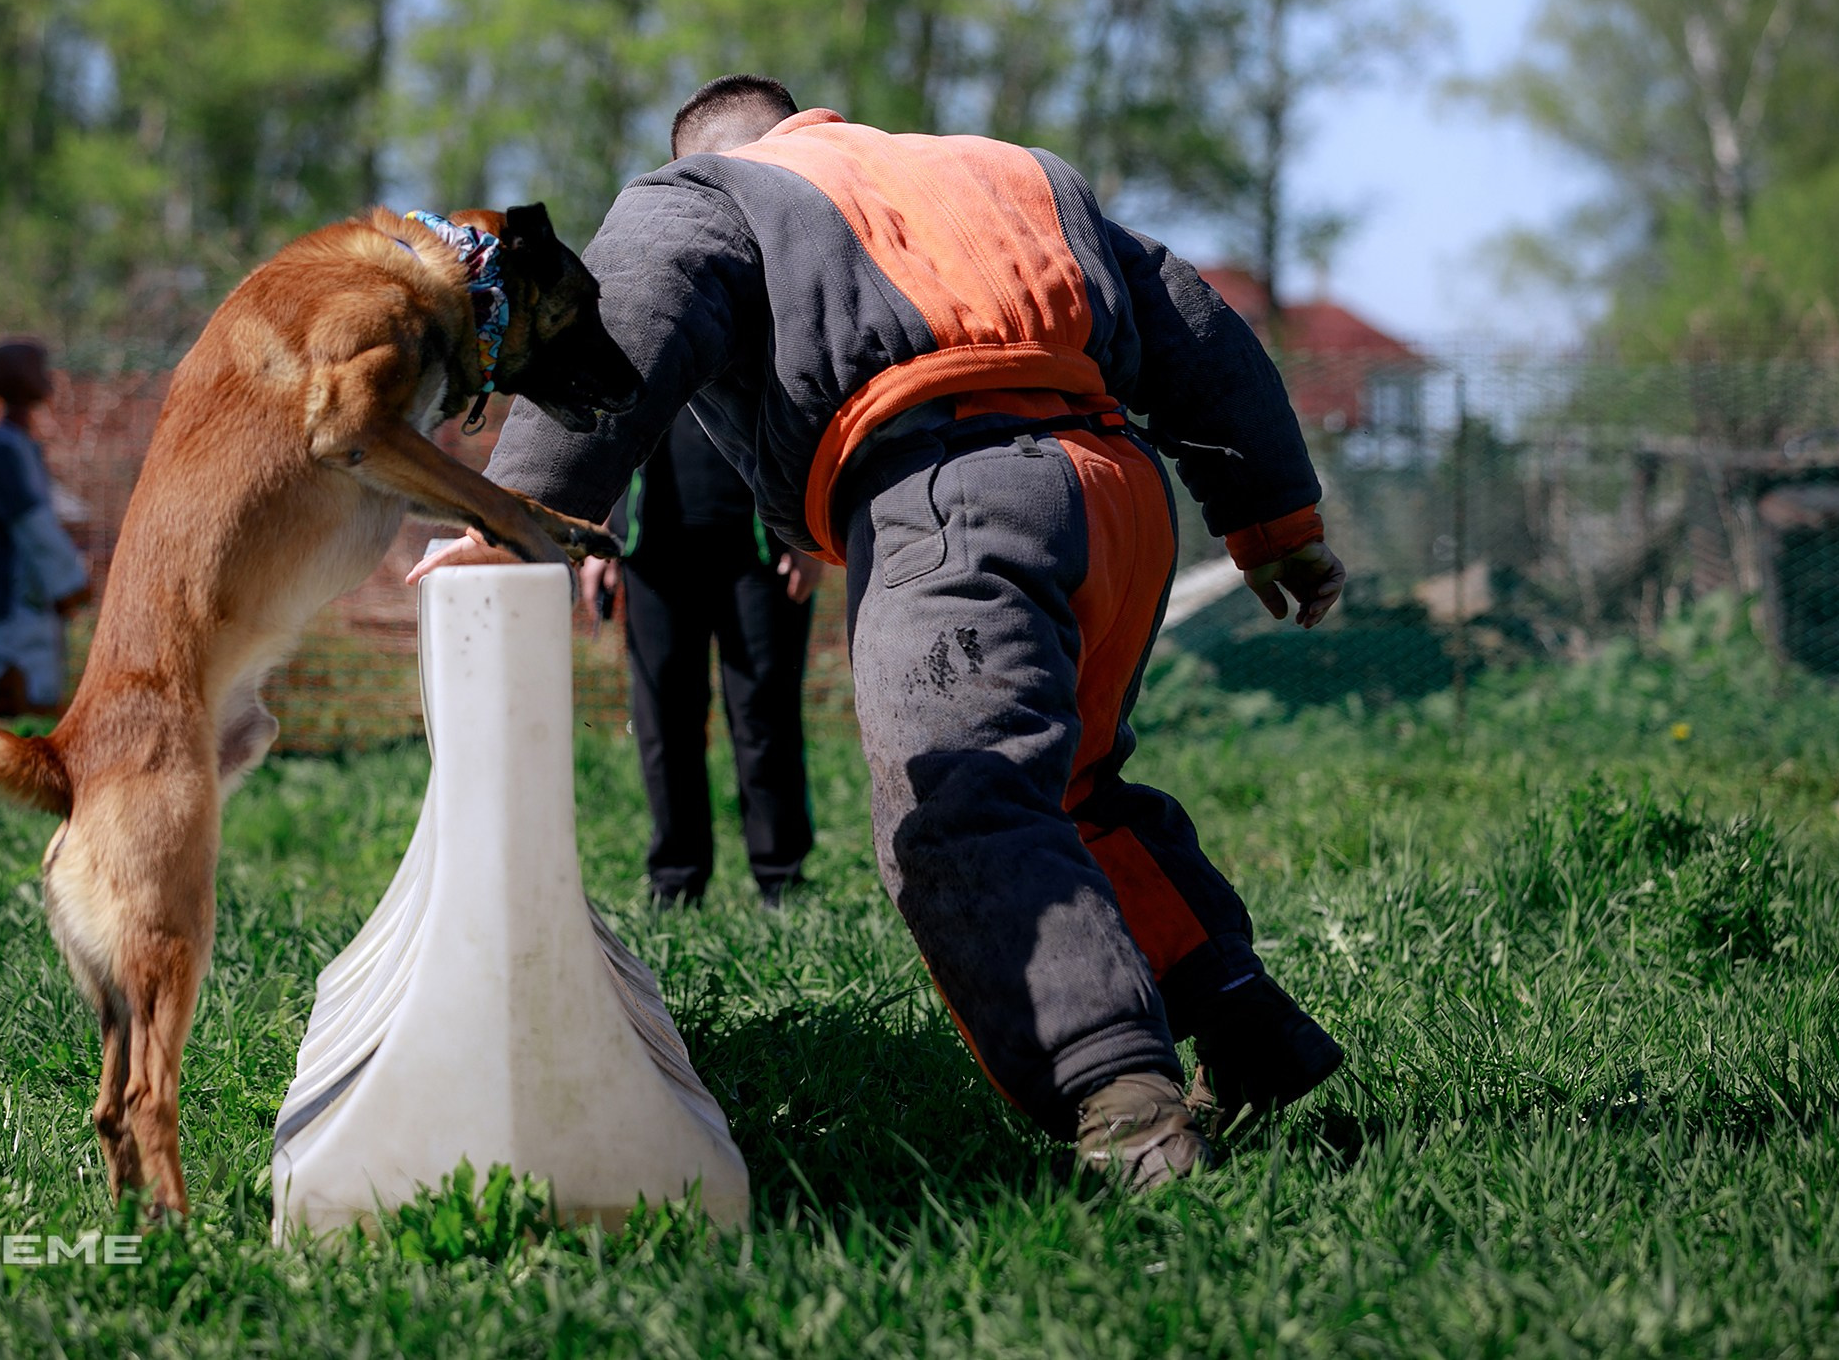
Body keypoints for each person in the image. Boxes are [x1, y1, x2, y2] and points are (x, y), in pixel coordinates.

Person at [413, 75, 1349, 1189]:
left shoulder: (716, 190)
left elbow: (631, 308)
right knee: (1074, 790)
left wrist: (519, 517)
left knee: (963, 804)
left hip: (949, 491)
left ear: (711, 150)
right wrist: (1275, 522)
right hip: (1116, 494)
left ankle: (1122, 1104)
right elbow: (1196, 325)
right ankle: (1245, 1029)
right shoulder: (1006, 168)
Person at [587, 406, 824, 909]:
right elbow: (606, 421)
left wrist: (810, 534)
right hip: (653, 547)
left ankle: (782, 879)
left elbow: (806, 407)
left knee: (765, 715)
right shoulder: (638, 325)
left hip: (762, 545)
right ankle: (675, 883)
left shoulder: (774, 323)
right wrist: (596, 534)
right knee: (664, 722)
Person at [0, 338, 91, 717]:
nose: (48, 378)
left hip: (23, 593)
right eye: (41, 369)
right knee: (18, 687)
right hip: (13, 597)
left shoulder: (16, 443)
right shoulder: (7, 446)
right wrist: (72, 581)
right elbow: (32, 522)